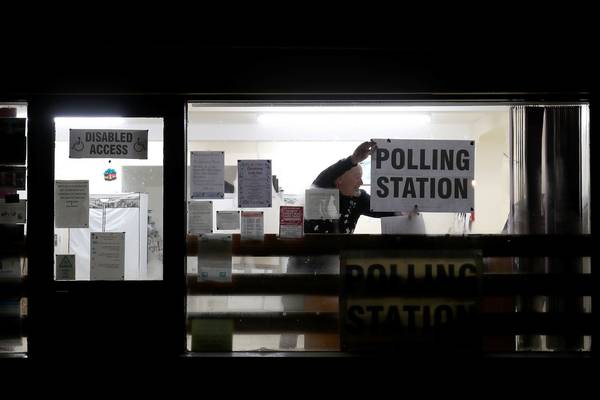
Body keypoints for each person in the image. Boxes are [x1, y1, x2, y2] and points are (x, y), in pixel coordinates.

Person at [280, 141, 406, 349]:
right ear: (339, 180)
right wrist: (353, 160)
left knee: (323, 324)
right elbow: (324, 176)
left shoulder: (359, 199)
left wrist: (405, 209)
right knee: (291, 323)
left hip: (331, 272)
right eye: (357, 177)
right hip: (300, 270)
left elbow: (384, 208)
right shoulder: (322, 192)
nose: (361, 182)